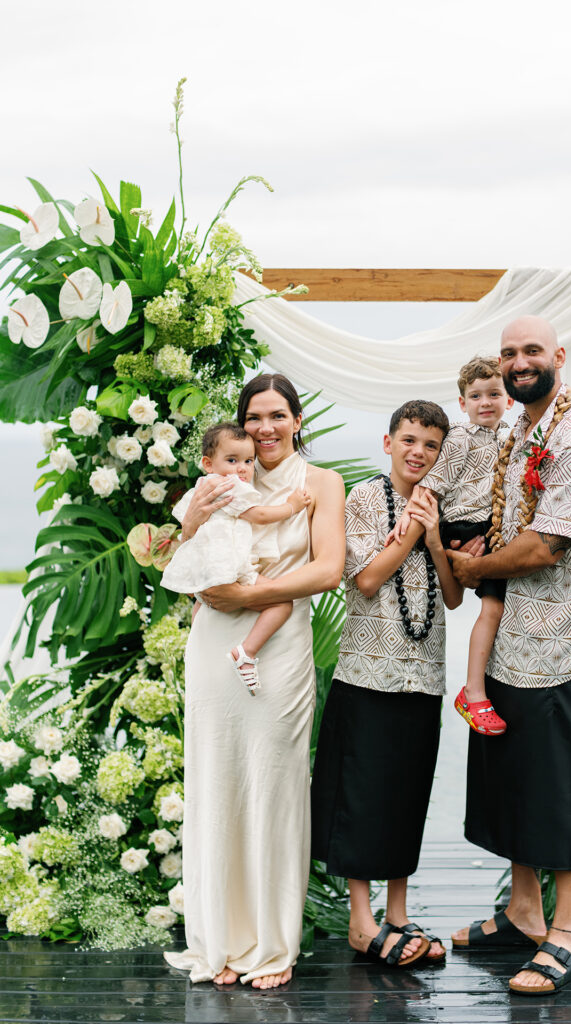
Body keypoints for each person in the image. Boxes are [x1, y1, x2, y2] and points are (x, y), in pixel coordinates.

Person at [447, 316, 571, 996]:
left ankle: (568, 935)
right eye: (509, 353)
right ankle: (525, 915)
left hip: (565, 638)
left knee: (559, 788)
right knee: (517, 779)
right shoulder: (523, 427)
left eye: (531, 352)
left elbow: (549, 544)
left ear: (557, 357)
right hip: (515, 635)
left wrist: (472, 570)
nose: (519, 362)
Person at [164, 373, 345, 990]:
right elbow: (184, 558)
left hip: (279, 644)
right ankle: (219, 940)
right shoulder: (222, 479)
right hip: (214, 641)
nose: (265, 428)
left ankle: (273, 945)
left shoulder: (320, 484)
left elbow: (329, 569)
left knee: (273, 786)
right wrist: (202, 556)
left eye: (277, 416)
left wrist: (248, 595)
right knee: (215, 781)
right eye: (254, 417)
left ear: (297, 420)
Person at [311, 400, 463, 968]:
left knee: (406, 794)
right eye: (409, 440)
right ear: (388, 442)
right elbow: (368, 578)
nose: (417, 452)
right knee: (363, 796)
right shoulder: (365, 498)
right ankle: (361, 921)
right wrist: (408, 536)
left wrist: (431, 539)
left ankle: (398, 915)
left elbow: (451, 595)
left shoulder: (438, 507)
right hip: (368, 674)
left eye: (429, 444)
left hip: (423, 676)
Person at [388, 356, 512, 736]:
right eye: (476, 396)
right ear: (463, 403)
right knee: (492, 605)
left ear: (509, 398)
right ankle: (473, 691)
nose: (485, 402)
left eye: (494, 393)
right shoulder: (460, 436)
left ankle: (479, 686)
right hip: (460, 522)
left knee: (485, 601)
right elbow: (432, 484)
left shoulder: (512, 437)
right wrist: (405, 520)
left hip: (490, 526)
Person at [160, 421, 311, 695]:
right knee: (282, 604)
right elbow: (260, 516)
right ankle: (246, 653)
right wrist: (292, 506)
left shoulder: (202, 487)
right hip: (230, 566)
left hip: (208, 566)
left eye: (248, 460)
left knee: (201, 605)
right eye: (232, 460)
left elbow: (187, 525)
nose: (242, 468)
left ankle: (197, 649)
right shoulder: (231, 487)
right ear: (208, 462)